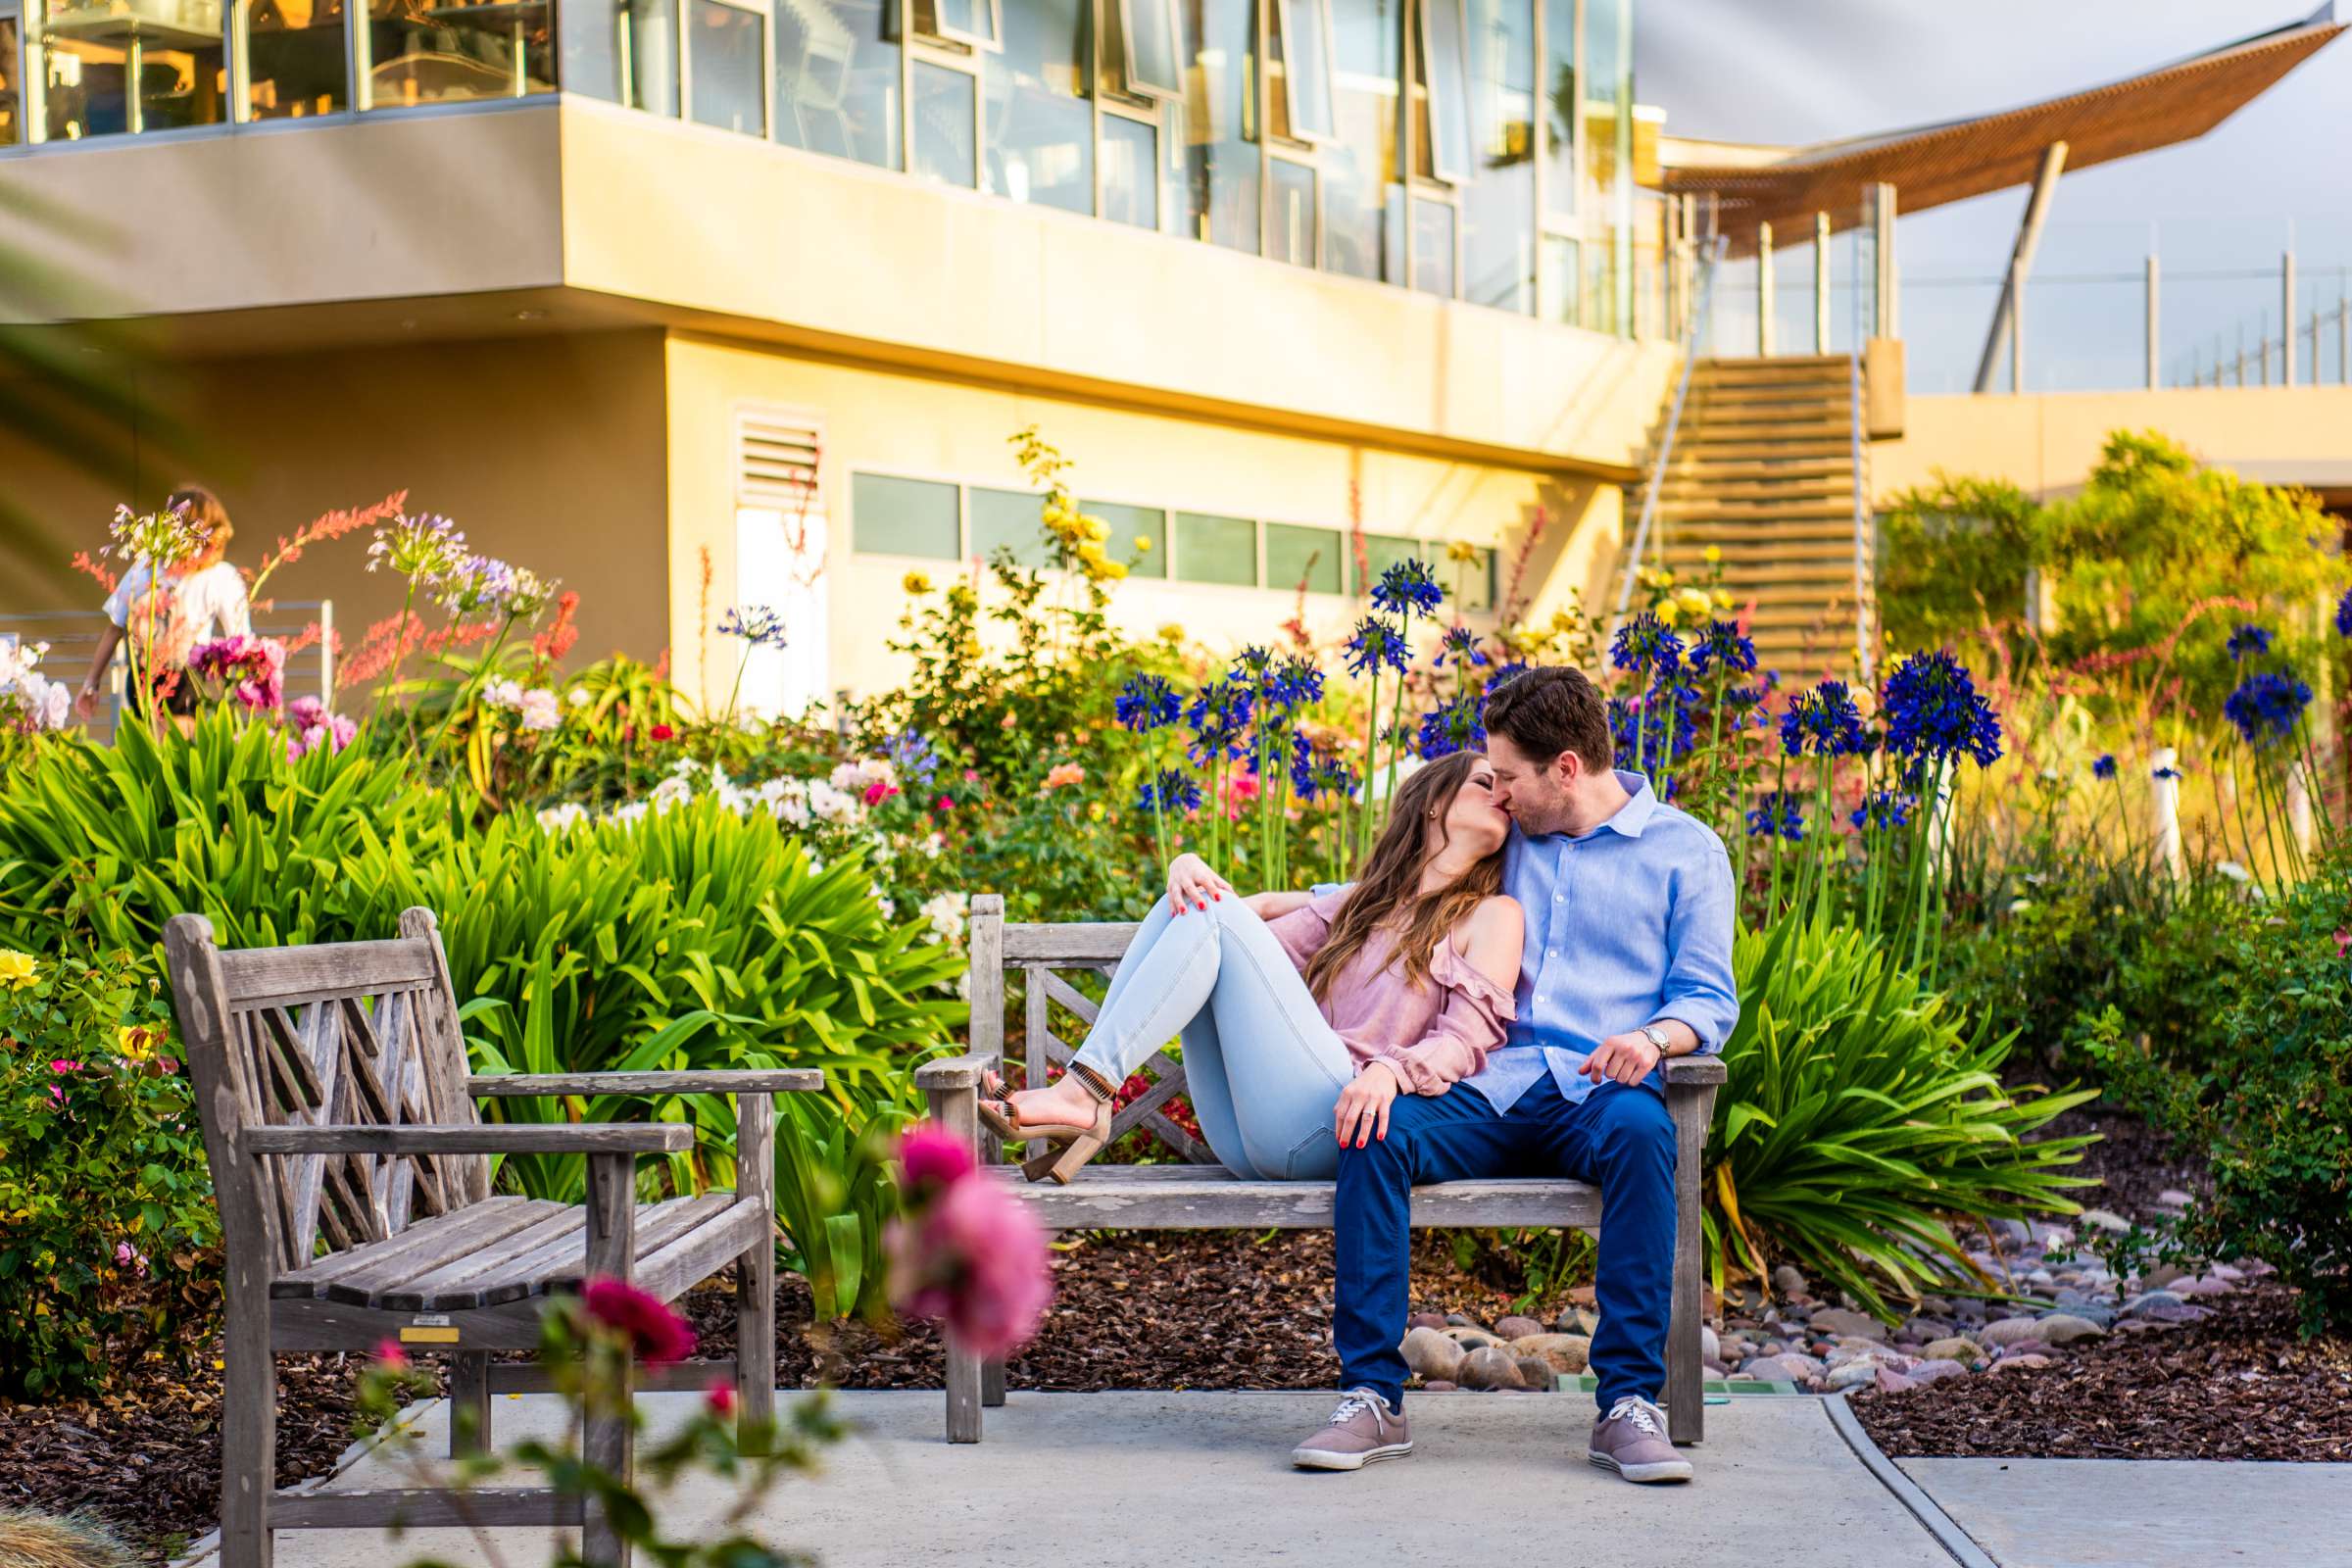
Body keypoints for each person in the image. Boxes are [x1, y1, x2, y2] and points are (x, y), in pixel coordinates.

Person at [1291, 663, 1739, 1483]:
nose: (1496, 791)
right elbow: (1389, 890)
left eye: (1507, 776)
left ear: (1566, 768)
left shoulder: (1687, 852)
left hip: (1601, 1089)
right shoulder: (1509, 836)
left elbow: (1708, 999)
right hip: (1487, 1083)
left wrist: (1653, 1037)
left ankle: (1627, 1406)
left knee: (1647, 1135)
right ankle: (1371, 1397)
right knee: (1375, 1130)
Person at [983, 750, 1525, 1199]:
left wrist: (1390, 1074)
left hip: (1342, 1121)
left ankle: (1084, 1093)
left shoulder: (1494, 915)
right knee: (1186, 903)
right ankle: (1085, 1091)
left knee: (1204, 907)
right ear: (1434, 802)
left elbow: (1466, 1041)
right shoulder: (1365, 903)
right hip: (1248, 1138)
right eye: (1484, 781)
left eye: (1505, 787)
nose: (1501, 792)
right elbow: (1235, 943)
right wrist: (1186, 864)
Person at [76, 486, 251, 731]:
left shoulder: (146, 566)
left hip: (142, 676)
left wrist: (91, 684)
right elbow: (240, 638)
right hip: (190, 676)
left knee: (150, 749)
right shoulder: (221, 576)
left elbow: (115, 628)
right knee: (183, 753)